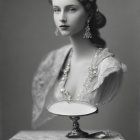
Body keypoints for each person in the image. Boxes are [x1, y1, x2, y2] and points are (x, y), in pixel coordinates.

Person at [32, 0, 127, 128]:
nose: (62, 18)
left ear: (89, 14)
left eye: (71, 9)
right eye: (56, 10)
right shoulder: (54, 58)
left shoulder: (108, 67)